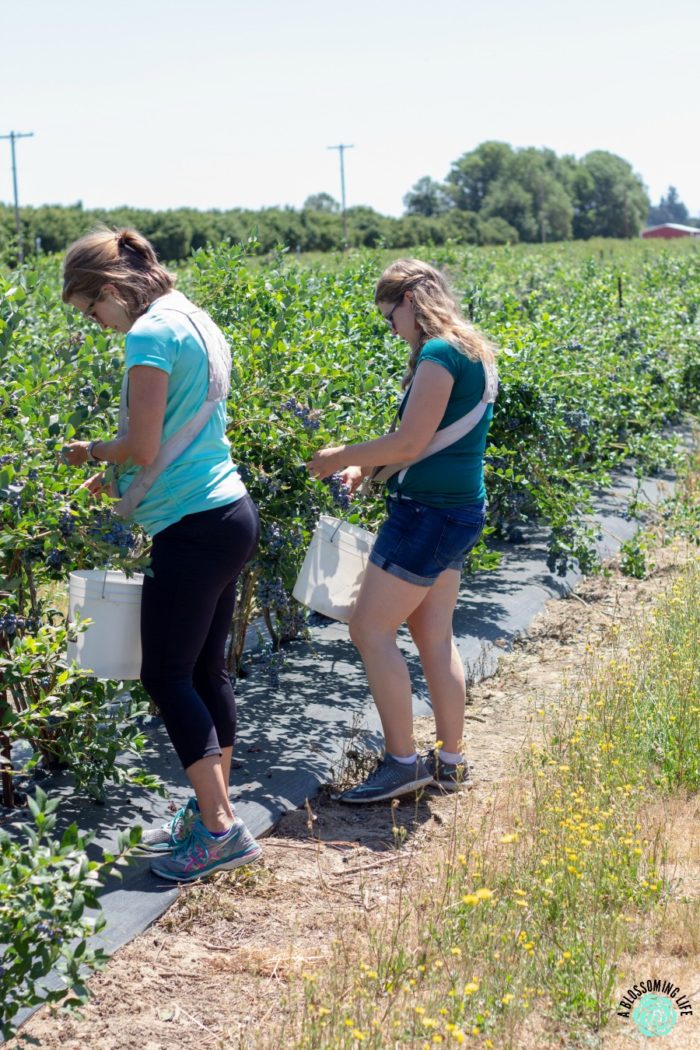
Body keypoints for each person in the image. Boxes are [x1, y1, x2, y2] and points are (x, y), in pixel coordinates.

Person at [62, 227, 262, 881]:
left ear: (114, 289)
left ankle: (220, 829)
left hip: (192, 525)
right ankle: (215, 811)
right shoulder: (194, 319)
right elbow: (176, 434)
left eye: (93, 310)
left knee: (166, 674)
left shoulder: (149, 333)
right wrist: (115, 475)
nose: (97, 324)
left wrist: (93, 453)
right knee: (207, 674)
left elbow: (142, 446)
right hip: (227, 512)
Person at [307, 259, 497, 803]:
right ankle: (451, 761)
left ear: (410, 301)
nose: (392, 329)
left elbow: (412, 443)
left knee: (369, 629)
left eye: (391, 318)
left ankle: (402, 762)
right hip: (458, 511)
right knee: (433, 637)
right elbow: (433, 439)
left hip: (426, 515)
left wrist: (340, 455)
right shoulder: (473, 350)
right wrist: (367, 466)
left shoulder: (438, 354)